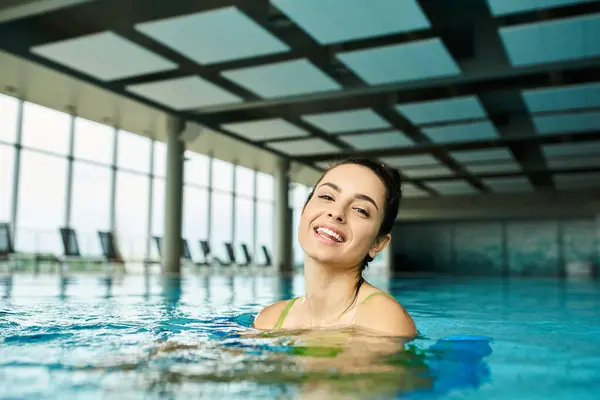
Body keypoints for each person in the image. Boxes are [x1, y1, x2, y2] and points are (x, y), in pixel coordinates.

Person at [254, 158, 416, 337]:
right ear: (304, 212)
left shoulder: (383, 319)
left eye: (360, 210)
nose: (337, 212)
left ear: (377, 244)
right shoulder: (269, 319)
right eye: (327, 196)